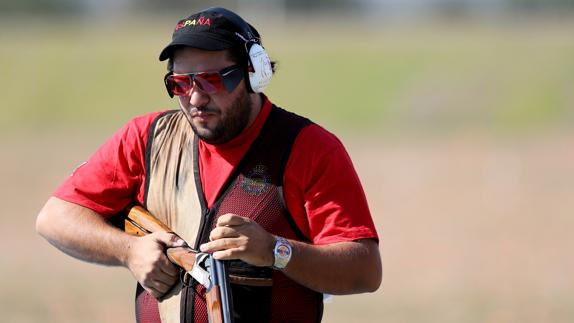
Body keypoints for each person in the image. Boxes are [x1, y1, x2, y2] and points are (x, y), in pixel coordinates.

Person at [36, 6, 382, 323]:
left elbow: (365, 270)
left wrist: (276, 250)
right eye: (180, 84)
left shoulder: (310, 148)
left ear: (253, 73)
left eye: (212, 80)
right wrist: (129, 250)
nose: (196, 98)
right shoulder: (146, 137)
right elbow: (55, 219)